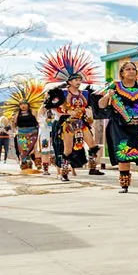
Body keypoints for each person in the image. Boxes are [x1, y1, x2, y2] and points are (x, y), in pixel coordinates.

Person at [97, 61, 138, 193]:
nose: (131, 71)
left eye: (133, 69)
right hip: (120, 127)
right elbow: (101, 105)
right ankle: (124, 185)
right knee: (124, 154)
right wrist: (108, 95)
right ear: (122, 72)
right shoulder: (114, 86)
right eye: (128, 69)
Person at [39, 45, 104, 178]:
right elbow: (52, 105)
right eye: (76, 80)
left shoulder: (84, 93)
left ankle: (92, 168)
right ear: (69, 81)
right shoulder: (61, 93)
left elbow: (92, 103)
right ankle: (64, 172)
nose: (78, 82)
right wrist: (68, 111)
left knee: (92, 145)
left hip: (81, 122)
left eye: (80, 80)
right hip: (67, 123)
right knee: (67, 148)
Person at [2, 80, 46, 173]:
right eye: (21, 104)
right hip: (21, 133)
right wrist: (13, 128)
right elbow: (14, 124)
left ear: (28, 105)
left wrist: (41, 129)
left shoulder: (33, 112)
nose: (23, 106)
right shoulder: (17, 114)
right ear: (19, 105)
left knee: (34, 148)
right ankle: (24, 163)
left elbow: (38, 121)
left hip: (33, 133)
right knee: (23, 149)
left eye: (25, 104)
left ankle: (37, 162)